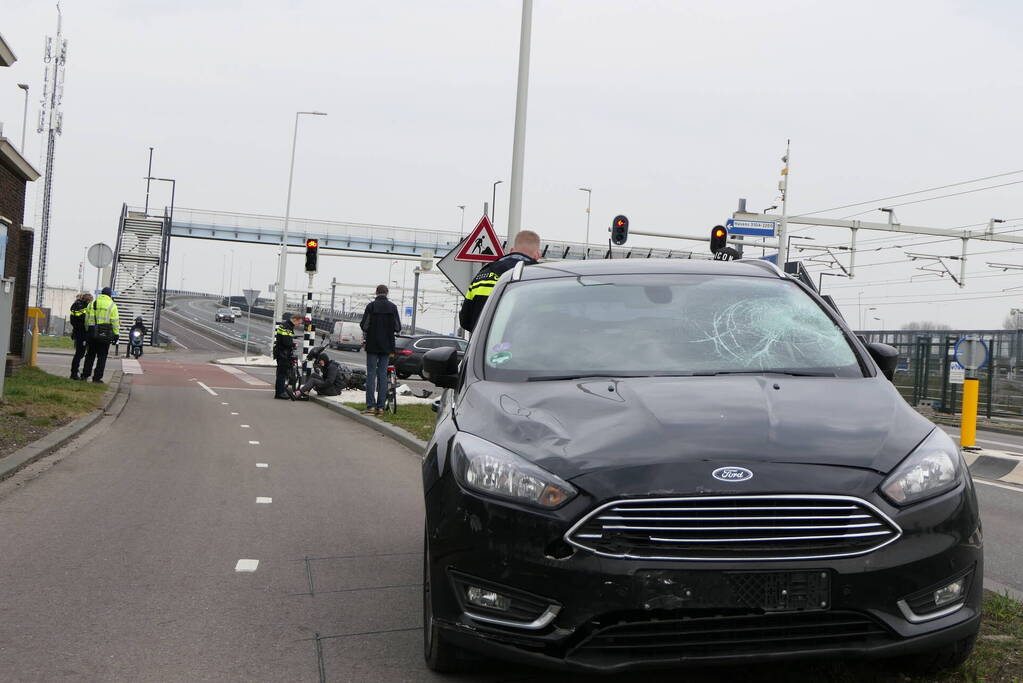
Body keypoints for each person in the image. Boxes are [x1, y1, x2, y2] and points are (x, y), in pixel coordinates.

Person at [459, 229, 542, 333]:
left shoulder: (482, 275)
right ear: (537, 255)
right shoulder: (539, 279)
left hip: (485, 343)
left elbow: (465, 320)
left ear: (511, 250)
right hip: (524, 342)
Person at [360, 284, 401, 415]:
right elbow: (398, 327)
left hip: (372, 345)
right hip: (387, 346)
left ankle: (370, 406)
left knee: (371, 375)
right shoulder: (393, 307)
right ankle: (381, 407)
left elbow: (364, 326)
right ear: (387, 293)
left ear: (376, 293)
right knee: (383, 375)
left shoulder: (371, 306)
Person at [81, 287, 120, 384]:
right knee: (102, 357)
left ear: (101, 294)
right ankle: (97, 378)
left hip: (92, 333)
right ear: (110, 295)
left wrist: (87, 330)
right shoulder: (112, 305)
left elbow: (86, 319)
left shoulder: (92, 303)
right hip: (105, 334)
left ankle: (85, 375)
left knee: (90, 355)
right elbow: (115, 322)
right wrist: (116, 334)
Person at [272, 313, 304, 399]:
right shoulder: (287, 327)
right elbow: (286, 342)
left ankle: (280, 391)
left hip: (280, 352)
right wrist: (293, 344)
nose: (299, 325)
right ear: (295, 319)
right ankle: (280, 393)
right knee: (282, 374)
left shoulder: (285, 325)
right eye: (299, 323)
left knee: (281, 373)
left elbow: (282, 339)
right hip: (283, 354)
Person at [68, 292, 93, 380]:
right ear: (87, 300)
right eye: (90, 301)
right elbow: (85, 321)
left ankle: (74, 372)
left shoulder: (76, 306)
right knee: (79, 354)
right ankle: (74, 373)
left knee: (79, 354)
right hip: (82, 334)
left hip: (77, 332)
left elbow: (73, 321)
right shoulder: (83, 308)